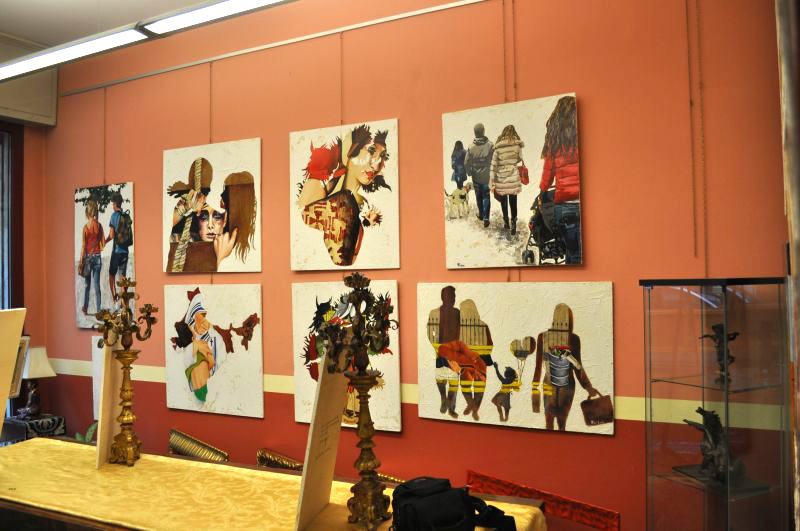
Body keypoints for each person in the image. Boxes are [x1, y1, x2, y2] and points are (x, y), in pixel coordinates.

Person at [297, 124, 390, 266]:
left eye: (383, 156)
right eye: (371, 150)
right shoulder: (319, 188)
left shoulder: (366, 207)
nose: (376, 165)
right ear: (350, 149)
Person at [531, 303, 599, 431]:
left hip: (549, 383)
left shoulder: (543, 337)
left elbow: (538, 367)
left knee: (549, 423)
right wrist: (588, 387)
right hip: (567, 386)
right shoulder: (573, 339)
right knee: (562, 425)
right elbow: (578, 367)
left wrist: (534, 387)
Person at [538, 95, 582, 263]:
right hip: (582, 203)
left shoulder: (555, 142)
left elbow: (547, 174)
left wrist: (542, 192)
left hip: (564, 206)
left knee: (573, 254)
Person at [172, 288, 226, 402]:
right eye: (201, 317)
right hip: (198, 381)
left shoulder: (215, 337)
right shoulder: (190, 339)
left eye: (205, 317)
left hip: (211, 381)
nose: (205, 323)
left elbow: (220, 360)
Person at [430, 286, 460, 418]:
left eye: (454, 296)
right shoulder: (436, 313)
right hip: (441, 350)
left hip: (454, 351)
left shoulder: (457, 313)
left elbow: (460, 330)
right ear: (443, 297)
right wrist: (436, 346)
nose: (453, 298)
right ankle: (443, 398)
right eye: (450, 295)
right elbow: (430, 331)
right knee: (440, 378)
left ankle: (451, 407)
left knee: (454, 380)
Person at [490, 125, 525, 234]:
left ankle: (506, 222)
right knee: (513, 202)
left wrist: (491, 180)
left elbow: (493, 165)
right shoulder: (517, 146)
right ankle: (513, 224)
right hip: (513, 177)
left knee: (503, 201)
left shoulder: (498, 147)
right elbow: (519, 158)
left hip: (501, 178)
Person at [464, 123, 494, 227]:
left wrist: (469, 172)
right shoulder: (490, 145)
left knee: (478, 195)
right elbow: (493, 160)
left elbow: (466, 162)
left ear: (475, 133)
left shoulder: (471, 147)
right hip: (486, 176)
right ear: (483, 131)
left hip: (476, 176)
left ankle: (481, 214)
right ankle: (486, 218)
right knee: (486, 196)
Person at [78, 199, 104, 316]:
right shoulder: (99, 226)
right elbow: (102, 244)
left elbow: (84, 246)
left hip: (88, 258)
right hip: (97, 257)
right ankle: (98, 310)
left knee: (87, 285)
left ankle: (85, 308)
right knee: (97, 285)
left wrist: (81, 261)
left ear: (87, 212)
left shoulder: (85, 228)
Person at [104, 192, 130, 301]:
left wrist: (105, 241)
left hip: (116, 251)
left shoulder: (114, 216)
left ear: (115, 204)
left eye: (112, 204)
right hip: (125, 251)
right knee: (123, 276)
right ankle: (124, 300)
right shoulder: (126, 215)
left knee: (112, 275)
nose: (112, 206)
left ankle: (115, 298)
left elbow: (111, 235)